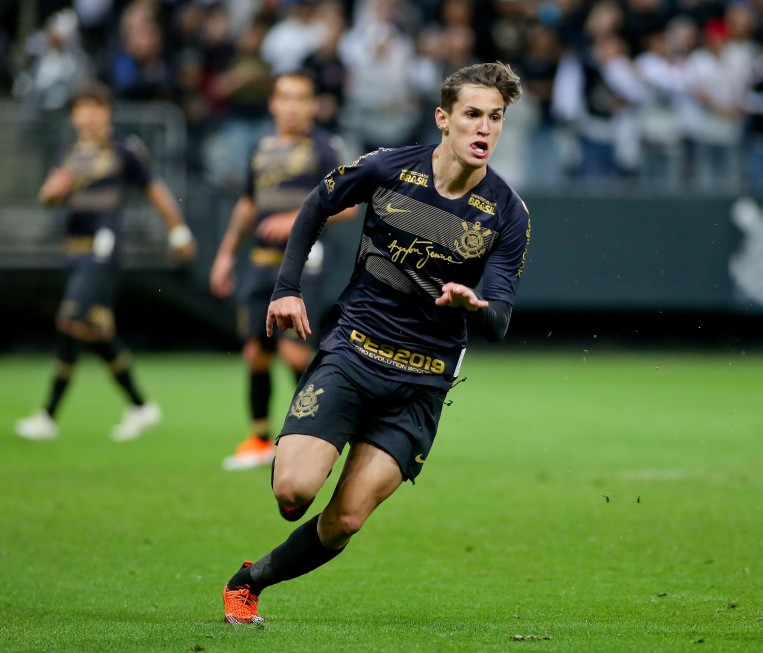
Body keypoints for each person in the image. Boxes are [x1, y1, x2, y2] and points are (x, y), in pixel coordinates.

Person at [222, 61, 531, 624]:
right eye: (472, 115)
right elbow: (317, 202)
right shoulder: (389, 168)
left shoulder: (508, 214)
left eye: (496, 117)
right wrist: (286, 288)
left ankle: (249, 582)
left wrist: (476, 306)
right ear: (443, 118)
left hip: (420, 383)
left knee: (345, 520)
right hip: (354, 353)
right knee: (292, 495)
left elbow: (501, 320)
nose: (484, 128)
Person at [15, 79, 196, 442]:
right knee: (95, 329)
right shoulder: (68, 153)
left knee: (70, 317)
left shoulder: (123, 149)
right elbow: (49, 195)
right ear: (73, 116)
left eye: (95, 109)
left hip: (104, 246)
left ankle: (48, 414)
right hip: (76, 247)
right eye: (82, 110)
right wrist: (54, 192)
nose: (89, 117)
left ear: (107, 112)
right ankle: (141, 405)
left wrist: (178, 232)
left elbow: (154, 189)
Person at [210, 71, 355, 471]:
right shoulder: (260, 147)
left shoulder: (324, 148)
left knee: (293, 348)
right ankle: (259, 439)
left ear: (312, 105)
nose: (292, 106)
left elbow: (349, 205)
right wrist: (225, 255)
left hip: (307, 260)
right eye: (285, 98)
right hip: (260, 263)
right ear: (273, 104)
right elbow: (248, 204)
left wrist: (296, 217)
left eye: (301, 98)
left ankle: (313, 434)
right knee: (256, 351)